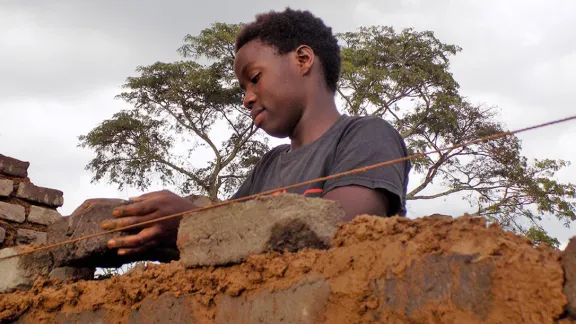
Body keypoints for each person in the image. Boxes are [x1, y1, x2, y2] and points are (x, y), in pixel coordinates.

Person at [100, 8, 411, 257]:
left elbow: (340, 228)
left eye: (255, 78)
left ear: (303, 60)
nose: (246, 98)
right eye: (243, 88)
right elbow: (226, 241)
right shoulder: (268, 167)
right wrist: (152, 232)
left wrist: (190, 222)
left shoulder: (367, 136)